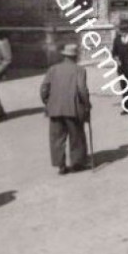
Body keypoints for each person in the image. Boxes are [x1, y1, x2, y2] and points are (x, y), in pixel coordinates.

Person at [40, 43, 92, 174]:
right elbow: (82, 89)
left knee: (57, 138)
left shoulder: (53, 69)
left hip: (55, 109)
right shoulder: (79, 70)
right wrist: (87, 104)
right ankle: (77, 163)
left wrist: (48, 102)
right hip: (72, 109)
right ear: (75, 57)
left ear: (64, 56)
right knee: (76, 136)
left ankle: (61, 166)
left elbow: (43, 89)